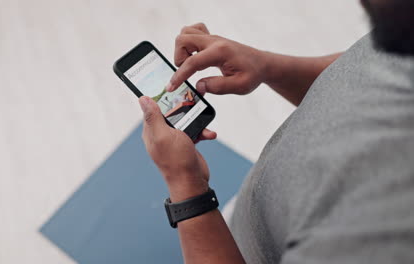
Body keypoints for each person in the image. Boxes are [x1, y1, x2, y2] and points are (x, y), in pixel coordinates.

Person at [138, 0, 414, 263]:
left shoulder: (384, 228)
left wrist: (186, 186)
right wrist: (267, 66)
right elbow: (368, 69)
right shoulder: (402, 24)